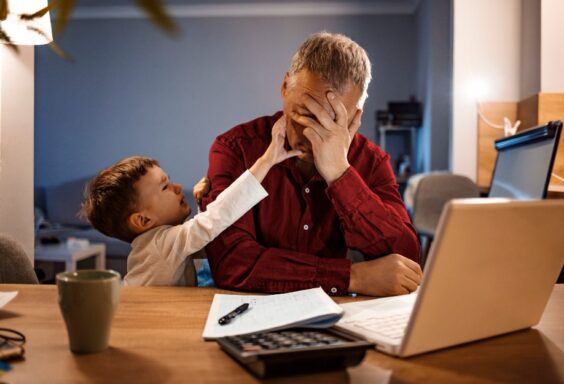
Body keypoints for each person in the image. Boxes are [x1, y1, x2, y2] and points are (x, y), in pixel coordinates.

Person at [201, 31, 422, 297]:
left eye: (330, 123)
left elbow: (406, 260)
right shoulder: (235, 148)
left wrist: (341, 175)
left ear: (355, 117)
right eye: (304, 115)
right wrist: (352, 276)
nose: (311, 136)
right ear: (285, 86)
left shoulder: (371, 161)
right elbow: (232, 262)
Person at [80, 119, 300, 286]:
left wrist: (200, 205)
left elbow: (196, 240)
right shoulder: (158, 246)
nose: (177, 187)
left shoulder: (159, 243)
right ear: (143, 219)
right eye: (165, 186)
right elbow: (215, 220)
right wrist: (267, 160)